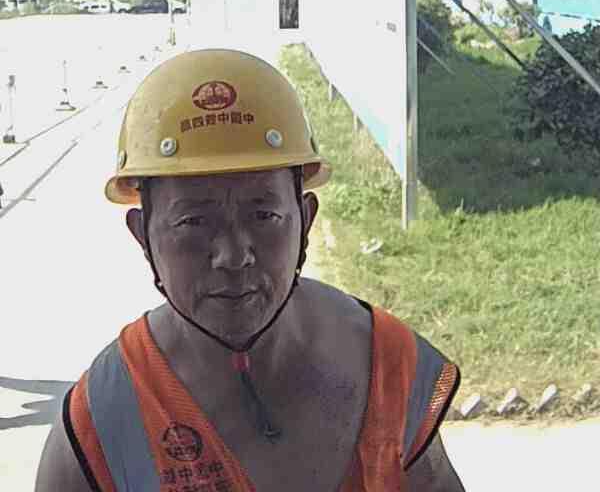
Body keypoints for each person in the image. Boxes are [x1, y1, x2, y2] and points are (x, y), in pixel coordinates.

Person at [35, 48, 465, 491]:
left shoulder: (388, 368)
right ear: (143, 234)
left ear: (305, 219)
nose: (234, 255)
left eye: (264, 216)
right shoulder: (103, 422)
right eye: (194, 221)